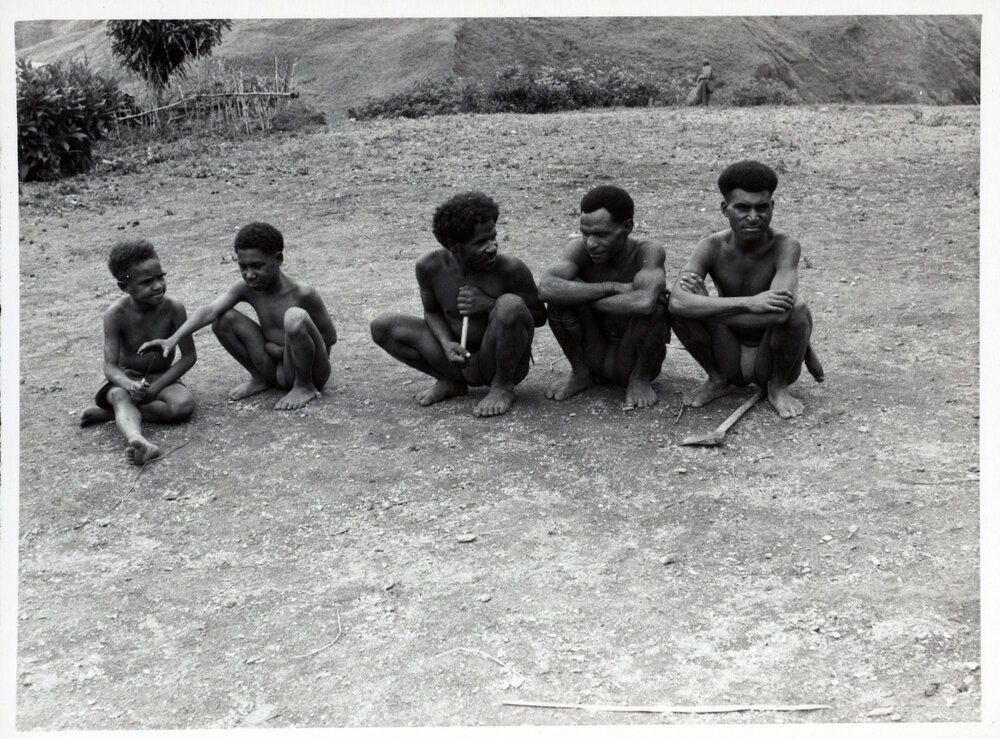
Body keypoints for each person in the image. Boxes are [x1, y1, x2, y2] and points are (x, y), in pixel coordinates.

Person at [668, 160, 824, 419]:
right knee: (673, 305)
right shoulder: (711, 246)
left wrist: (705, 307)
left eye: (762, 207)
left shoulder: (785, 246)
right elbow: (677, 302)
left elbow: (780, 313)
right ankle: (717, 379)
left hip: (769, 352)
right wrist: (751, 302)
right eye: (742, 207)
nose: (753, 217)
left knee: (798, 307)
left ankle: (778, 386)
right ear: (724, 209)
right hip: (728, 348)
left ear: (772, 207)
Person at [370, 192, 546, 417]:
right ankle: (449, 380)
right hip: (456, 361)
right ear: (454, 245)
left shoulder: (510, 269)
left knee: (510, 305)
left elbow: (539, 316)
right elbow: (432, 312)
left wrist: (489, 304)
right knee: (383, 326)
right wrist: (446, 343)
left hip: (497, 361)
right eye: (481, 242)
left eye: (493, 237)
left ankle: (502, 388)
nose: (492, 247)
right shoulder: (429, 266)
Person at [139, 222, 337, 411]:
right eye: (243, 267)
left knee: (295, 317)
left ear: (278, 259)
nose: (249, 274)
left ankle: (304, 387)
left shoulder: (303, 293)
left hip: (309, 370)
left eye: (257, 266)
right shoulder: (247, 288)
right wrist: (173, 339)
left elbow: (329, 337)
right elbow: (210, 310)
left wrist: (283, 350)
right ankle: (261, 378)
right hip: (275, 367)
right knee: (224, 319)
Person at [538, 184, 670, 410]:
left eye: (601, 234)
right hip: (592, 352)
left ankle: (639, 378)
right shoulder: (578, 249)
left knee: (659, 305)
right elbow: (546, 288)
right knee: (559, 302)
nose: (591, 243)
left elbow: (644, 302)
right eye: (585, 233)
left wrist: (581, 295)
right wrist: (611, 287)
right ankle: (580, 374)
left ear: (627, 227)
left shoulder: (647, 252)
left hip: (632, 355)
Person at [80, 239, 197, 465]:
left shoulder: (174, 308)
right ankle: (138, 440)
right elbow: (110, 367)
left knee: (184, 406)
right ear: (125, 287)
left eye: (160, 276)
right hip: (126, 378)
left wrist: (157, 387)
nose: (158, 286)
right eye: (146, 282)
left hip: (160, 377)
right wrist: (128, 384)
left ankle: (111, 415)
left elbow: (189, 356)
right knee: (119, 396)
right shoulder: (115, 315)